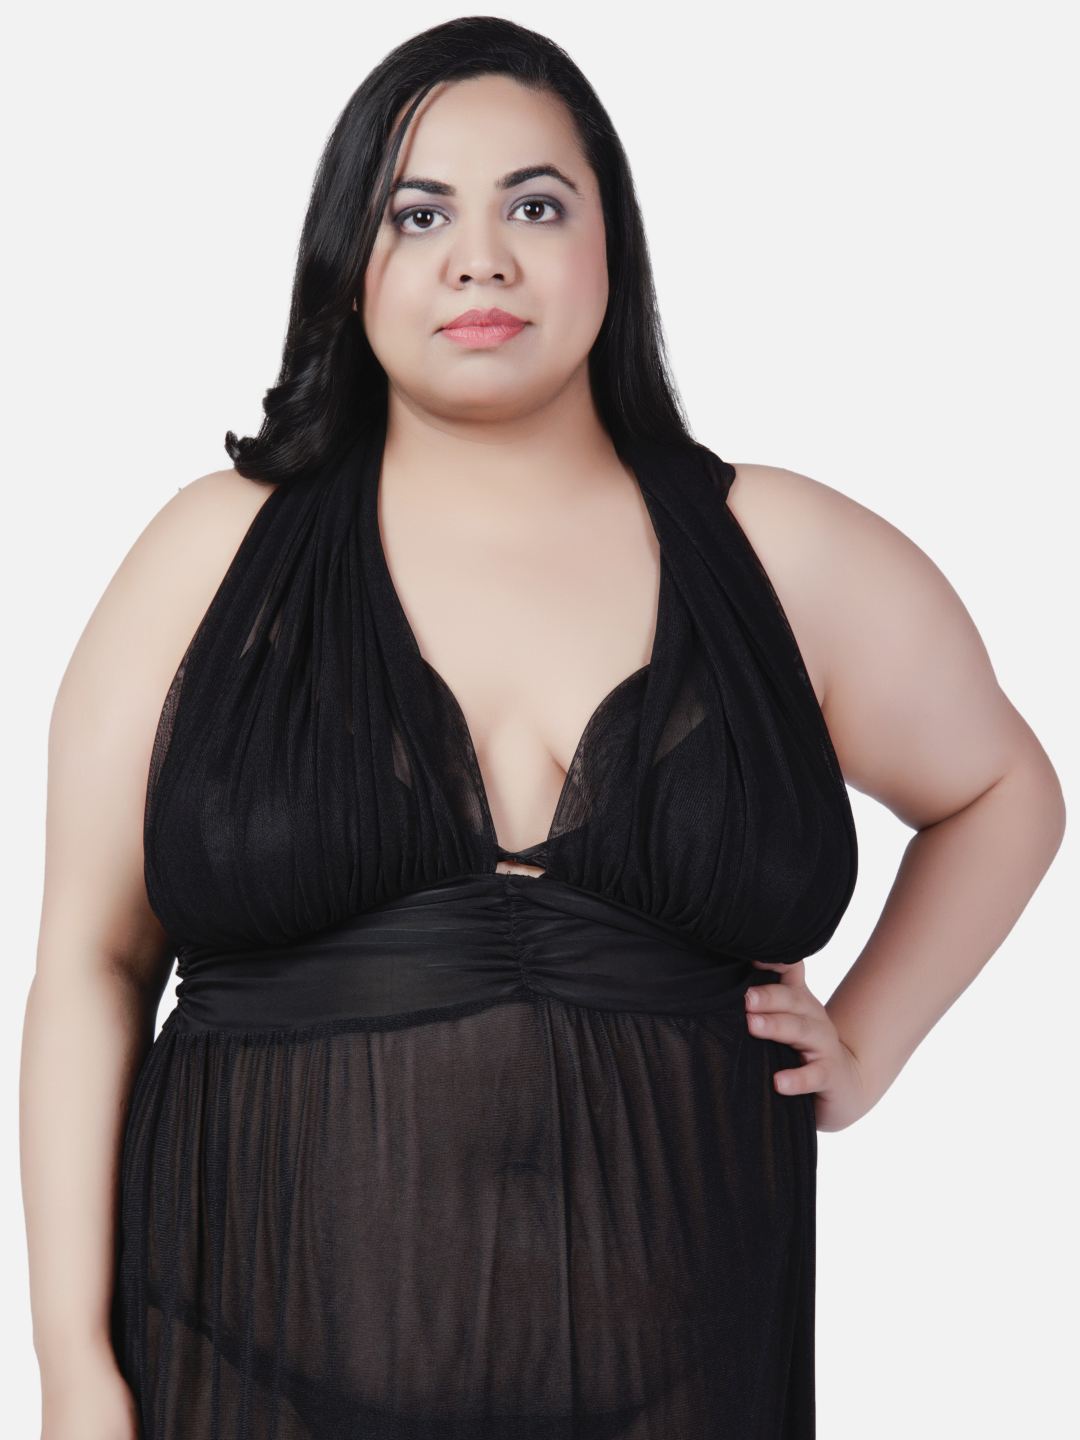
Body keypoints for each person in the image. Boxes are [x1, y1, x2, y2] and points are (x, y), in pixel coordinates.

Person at [21, 16, 1066, 1440]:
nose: (480, 259)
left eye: (534, 206)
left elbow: (1002, 790)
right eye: (418, 213)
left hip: (685, 1388)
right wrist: (73, 1368)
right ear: (346, 260)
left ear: (610, 248)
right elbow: (90, 963)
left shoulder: (786, 554)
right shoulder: (211, 555)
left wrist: (868, 1046)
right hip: (241, 1374)